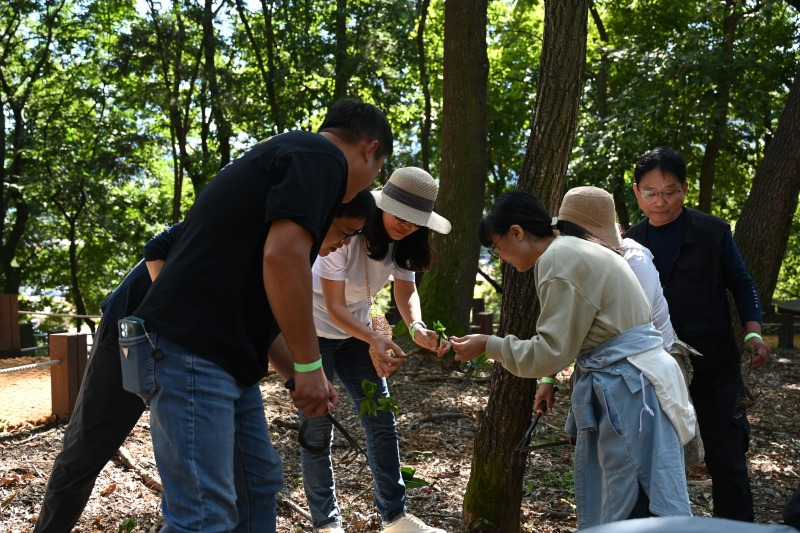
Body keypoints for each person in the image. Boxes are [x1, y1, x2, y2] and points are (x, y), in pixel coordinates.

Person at [122, 99, 393, 532]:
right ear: (369, 149)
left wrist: (304, 377)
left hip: (227, 358)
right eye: (378, 171)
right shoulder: (319, 156)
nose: (367, 184)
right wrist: (308, 365)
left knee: (256, 488)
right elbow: (282, 257)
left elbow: (262, 313)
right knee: (203, 513)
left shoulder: (288, 169)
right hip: (192, 348)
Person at [33, 191, 377, 532]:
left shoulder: (297, 257)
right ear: (321, 215)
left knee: (253, 479)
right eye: (345, 232)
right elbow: (158, 246)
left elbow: (267, 327)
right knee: (87, 451)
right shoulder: (248, 224)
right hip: (134, 334)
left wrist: (299, 379)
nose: (344, 245)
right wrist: (175, 320)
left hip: (218, 357)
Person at [450, 190, 694, 529]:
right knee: (635, 497)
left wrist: (489, 345)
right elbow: (567, 343)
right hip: (637, 383)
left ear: (517, 232)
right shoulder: (569, 247)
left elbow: (550, 351)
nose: (501, 258)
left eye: (497, 246)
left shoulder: (558, 259)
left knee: (630, 503)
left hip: (630, 391)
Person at [301, 167, 451, 533]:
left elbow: (405, 290)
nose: (407, 225)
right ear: (383, 205)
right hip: (313, 331)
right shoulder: (347, 232)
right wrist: (374, 339)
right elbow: (334, 306)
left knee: (381, 421)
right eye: (401, 216)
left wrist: (416, 327)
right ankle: (326, 522)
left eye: (417, 221)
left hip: (357, 333)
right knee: (317, 427)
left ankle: (395, 518)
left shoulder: (405, 243)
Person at [625, 146, 769, 522]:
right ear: (637, 193)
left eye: (670, 191)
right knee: (647, 468)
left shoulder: (712, 232)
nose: (661, 202)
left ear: (685, 189)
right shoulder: (628, 244)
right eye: (651, 192)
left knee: (727, 463)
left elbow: (742, 283)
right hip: (653, 373)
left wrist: (753, 333)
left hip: (713, 368)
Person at [554, 185, 705, 467]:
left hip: (648, 367)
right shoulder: (583, 260)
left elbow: (628, 328)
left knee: (649, 463)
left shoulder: (634, 260)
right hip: (607, 366)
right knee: (608, 462)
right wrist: (550, 377)